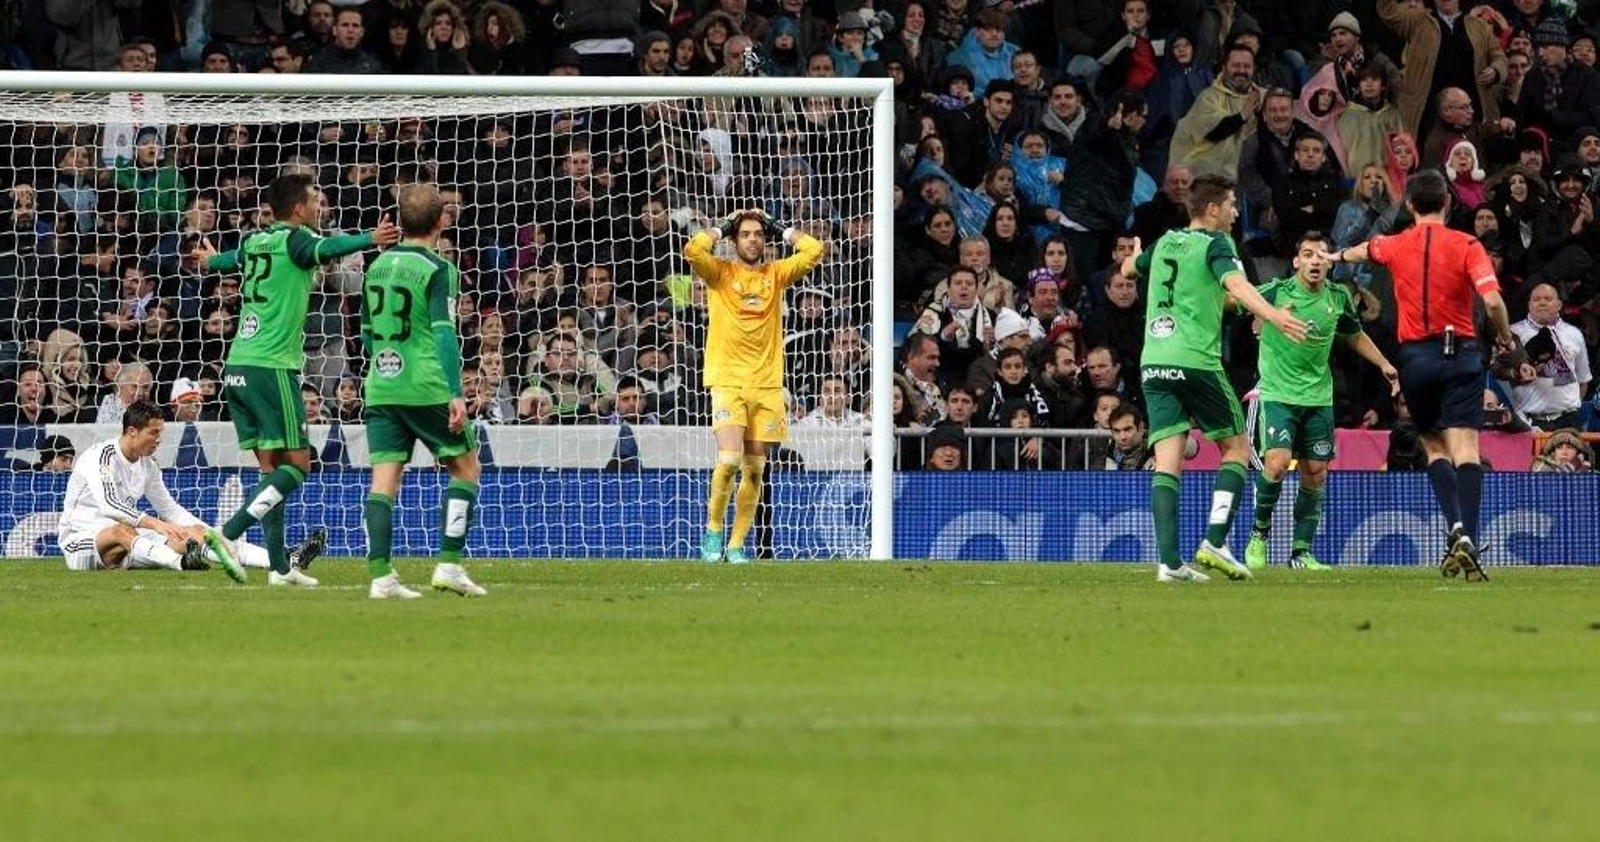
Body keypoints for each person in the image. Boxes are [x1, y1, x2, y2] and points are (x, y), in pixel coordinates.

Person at [192, 174, 397, 587]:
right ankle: (226, 535)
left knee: (273, 471)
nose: (320, 207)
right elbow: (330, 249)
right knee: (300, 466)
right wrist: (370, 238)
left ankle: (279, 568)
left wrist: (211, 262)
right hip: (272, 368)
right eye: (315, 201)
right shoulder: (297, 240)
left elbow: (230, 260)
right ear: (300, 209)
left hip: (238, 366)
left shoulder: (256, 241)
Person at [1326, 170, 1516, 581]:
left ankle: (1456, 527)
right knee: (1466, 446)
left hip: (1416, 358)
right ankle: (1468, 533)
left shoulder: (1395, 244)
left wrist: (1334, 257)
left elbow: (1364, 250)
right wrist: (1504, 337)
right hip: (1461, 354)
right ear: (1447, 202)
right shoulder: (1468, 244)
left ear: (1409, 205)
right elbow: (1492, 301)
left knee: (1433, 444)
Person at [1121, 174, 1308, 583]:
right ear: (1211, 209)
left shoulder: (1165, 242)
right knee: (1236, 448)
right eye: (1231, 204)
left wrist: (1134, 256)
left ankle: (1169, 563)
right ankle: (1215, 541)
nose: (1236, 212)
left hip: (1154, 362)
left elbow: (1129, 268)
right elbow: (1236, 284)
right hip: (1196, 361)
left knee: (1168, 462)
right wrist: (1273, 315)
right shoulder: (1217, 244)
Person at [1243, 232, 1400, 572]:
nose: (1315, 261)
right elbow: (1235, 301)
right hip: (1279, 394)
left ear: (1329, 264)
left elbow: (1354, 334)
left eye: (1321, 256)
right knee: (1277, 463)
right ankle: (1258, 534)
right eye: (1307, 254)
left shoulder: (1339, 297)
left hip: (1318, 398)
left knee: (1315, 473)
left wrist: (1384, 364)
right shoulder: (1276, 292)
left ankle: (1301, 553)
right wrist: (1263, 317)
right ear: (1296, 261)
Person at [358, 184, 485, 599]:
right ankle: (448, 564)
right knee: (466, 468)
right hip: (426, 385)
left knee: (383, 481)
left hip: (381, 385)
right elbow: (445, 334)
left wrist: (388, 364)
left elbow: (365, 332)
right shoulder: (438, 268)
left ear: (400, 221)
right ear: (441, 221)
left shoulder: (377, 265)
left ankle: (381, 577)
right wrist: (455, 392)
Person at [684, 208, 825, 563]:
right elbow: (693, 250)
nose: (752, 240)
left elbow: (814, 250)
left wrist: (779, 226)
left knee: (755, 469)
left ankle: (736, 545)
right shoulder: (720, 273)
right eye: (745, 234)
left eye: (758, 234)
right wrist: (723, 227)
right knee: (730, 459)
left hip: (767, 386)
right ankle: (713, 531)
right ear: (735, 240)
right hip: (728, 381)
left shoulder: (775, 274)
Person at [55, 400, 301, 580]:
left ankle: (284, 560)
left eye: (161, 433)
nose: (159, 439)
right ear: (132, 432)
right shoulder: (101, 457)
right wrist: (156, 524)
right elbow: (109, 505)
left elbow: (169, 509)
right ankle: (181, 564)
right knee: (121, 530)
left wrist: (204, 531)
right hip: (81, 543)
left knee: (197, 535)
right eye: (153, 433)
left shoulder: (147, 465)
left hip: (130, 547)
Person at [1501, 282, 1592, 431]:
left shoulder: (1574, 334)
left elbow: (1583, 380)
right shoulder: (1512, 333)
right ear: (1529, 305)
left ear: (1559, 305)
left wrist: (1570, 409)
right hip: (1527, 421)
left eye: (1548, 299)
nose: (1542, 303)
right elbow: (1498, 375)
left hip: (1569, 421)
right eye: (1536, 299)